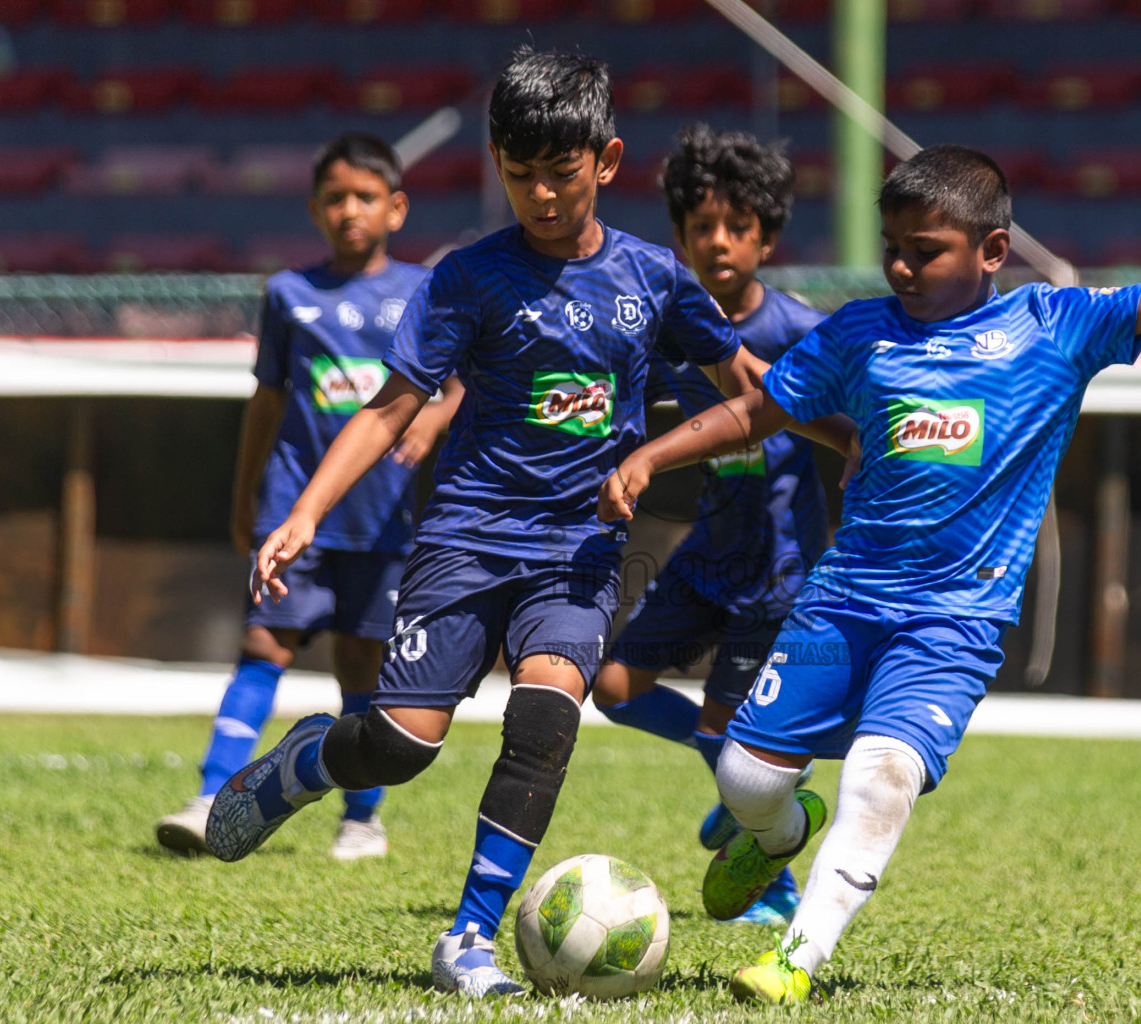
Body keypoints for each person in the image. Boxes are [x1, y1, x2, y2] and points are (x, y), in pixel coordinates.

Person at [597, 144, 1141, 1005]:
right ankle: (779, 834)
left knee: (881, 771)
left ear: (992, 252)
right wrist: (649, 457)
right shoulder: (860, 333)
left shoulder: (1052, 328)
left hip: (954, 622)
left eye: (924, 250)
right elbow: (754, 409)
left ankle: (796, 958)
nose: (900, 264)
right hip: (840, 605)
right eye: (892, 245)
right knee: (747, 780)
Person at [203, 49, 848, 999]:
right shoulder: (468, 278)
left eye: (562, 172)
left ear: (608, 159)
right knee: (403, 744)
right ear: (497, 163)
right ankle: (309, 759)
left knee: (546, 718)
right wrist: (301, 515)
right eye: (520, 173)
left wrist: (851, 438)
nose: (541, 194)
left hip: (579, 553)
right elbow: (387, 409)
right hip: (465, 538)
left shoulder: (653, 278)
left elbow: (746, 386)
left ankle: (468, 936)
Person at [154, 132, 456, 860]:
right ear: (315, 210)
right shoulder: (288, 295)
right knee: (263, 643)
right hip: (297, 512)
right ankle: (211, 796)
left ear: (396, 207)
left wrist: (434, 418)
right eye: (334, 198)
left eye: (365, 197)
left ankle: (362, 817)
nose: (349, 210)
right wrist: (245, 493)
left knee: (363, 666)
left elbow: (459, 377)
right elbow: (265, 402)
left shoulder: (424, 291)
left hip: (384, 520)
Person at [591, 124, 830, 927]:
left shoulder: (797, 331)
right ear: (680, 238)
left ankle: (778, 881)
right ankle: (736, 801)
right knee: (614, 687)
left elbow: (849, 423)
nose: (718, 242)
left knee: (737, 746)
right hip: (705, 557)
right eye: (702, 228)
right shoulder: (670, 331)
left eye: (737, 228)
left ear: (767, 238)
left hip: (777, 572)